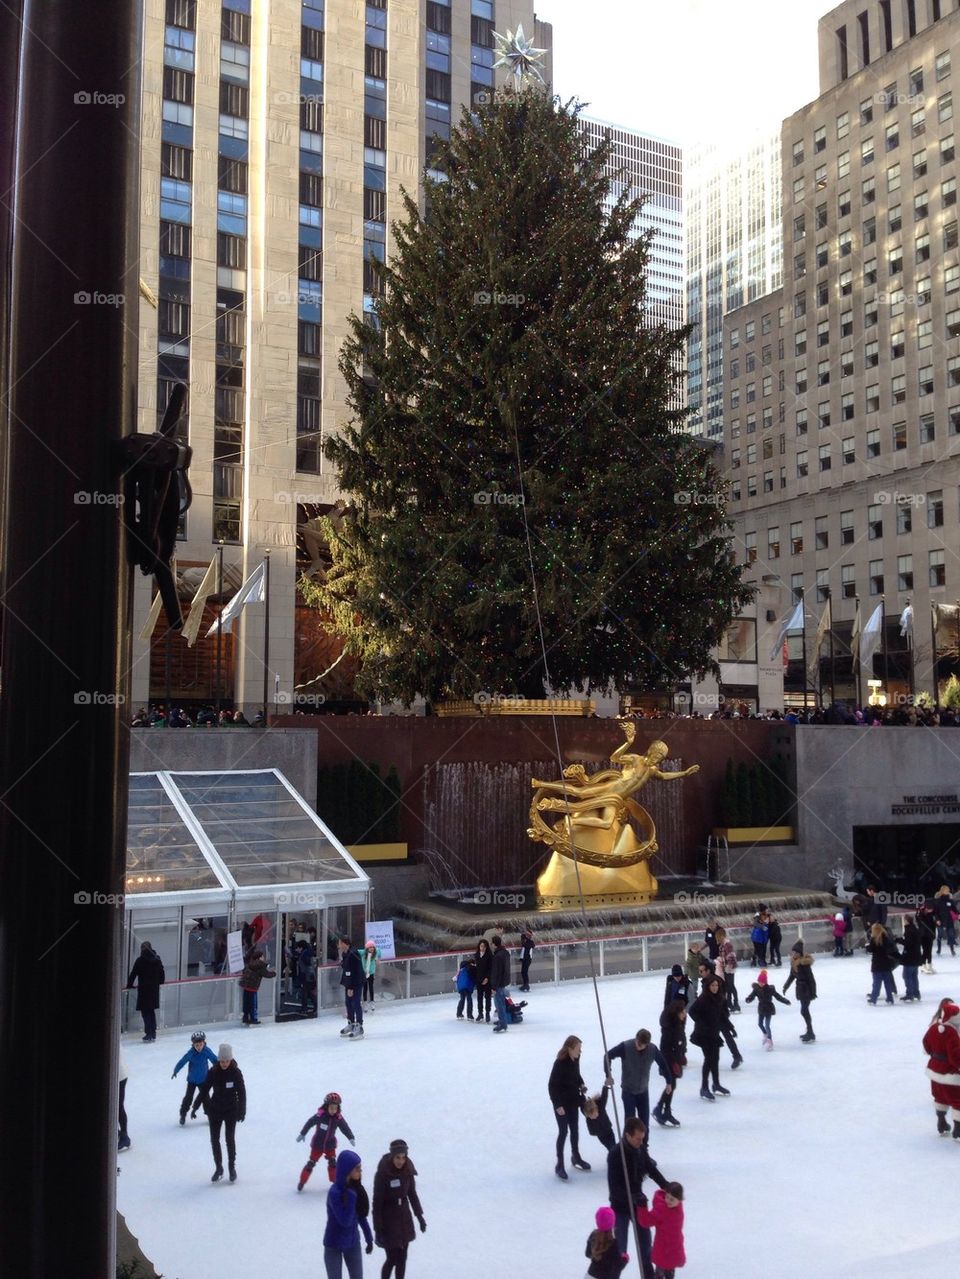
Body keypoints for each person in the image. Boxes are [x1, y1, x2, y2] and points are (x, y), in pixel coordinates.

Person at [606, 1117, 671, 1273]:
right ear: (627, 1135)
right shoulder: (615, 1154)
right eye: (638, 1139)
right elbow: (614, 1188)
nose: (641, 1142)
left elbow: (651, 1169)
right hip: (620, 1207)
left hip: (639, 1207)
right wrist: (632, 1197)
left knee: (646, 1248)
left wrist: (666, 1186)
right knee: (620, 1253)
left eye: (643, 1139)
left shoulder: (640, 1149)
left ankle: (648, 1275)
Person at [372, 1138, 426, 1279]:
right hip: (388, 1221)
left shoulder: (407, 1170)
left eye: (403, 1157)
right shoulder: (383, 1173)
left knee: (402, 1258)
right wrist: (378, 1228)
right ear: (392, 1156)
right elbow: (377, 1202)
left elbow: (412, 1194)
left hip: (404, 1219)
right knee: (392, 1259)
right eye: (397, 1157)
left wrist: (419, 1216)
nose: (401, 1161)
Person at [192, 1043, 245, 1183]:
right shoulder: (213, 1071)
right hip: (215, 1110)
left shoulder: (236, 1072)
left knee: (229, 1139)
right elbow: (204, 1090)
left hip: (231, 1110)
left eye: (227, 1061)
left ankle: (231, 1167)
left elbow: (242, 1092)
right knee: (214, 1140)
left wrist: (242, 1110)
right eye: (222, 1061)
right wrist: (195, 1106)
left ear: (230, 1060)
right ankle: (219, 1168)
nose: (224, 1064)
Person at [603, 1029, 673, 1130]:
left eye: (641, 1045)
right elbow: (607, 1056)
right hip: (628, 1091)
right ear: (636, 1038)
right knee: (630, 1125)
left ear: (647, 1044)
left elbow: (663, 1064)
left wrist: (669, 1081)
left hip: (643, 1092)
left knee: (644, 1125)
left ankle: (644, 1140)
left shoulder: (652, 1050)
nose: (638, 1046)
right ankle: (627, 1140)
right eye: (638, 1042)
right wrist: (608, 1074)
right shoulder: (625, 1047)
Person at [324, 1149, 374, 1279]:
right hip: (333, 1244)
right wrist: (352, 1197)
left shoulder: (357, 1189)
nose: (360, 1171)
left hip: (352, 1242)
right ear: (347, 1170)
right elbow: (345, 1221)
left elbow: (361, 1216)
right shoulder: (335, 1192)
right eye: (357, 1169)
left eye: (360, 1168)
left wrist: (369, 1238)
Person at [549, 1034, 590, 1179]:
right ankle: (559, 1164)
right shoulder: (560, 1063)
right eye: (578, 1048)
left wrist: (581, 1084)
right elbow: (552, 1086)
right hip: (561, 1103)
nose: (580, 1051)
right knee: (563, 1132)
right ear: (570, 1048)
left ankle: (576, 1156)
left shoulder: (576, 1059)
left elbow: (576, 1075)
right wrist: (557, 1105)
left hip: (573, 1100)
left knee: (574, 1130)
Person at [298, 1091, 356, 1190]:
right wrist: (303, 1133)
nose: (333, 1110)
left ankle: (335, 1183)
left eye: (335, 1108)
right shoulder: (320, 1116)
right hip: (317, 1145)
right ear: (326, 1106)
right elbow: (310, 1123)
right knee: (311, 1163)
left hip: (330, 1145)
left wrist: (350, 1137)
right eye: (331, 1108)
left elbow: (345, 1127)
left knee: (333, 1163)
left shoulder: (338, 1118)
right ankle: (302, 1182)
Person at [689, 976, 732, 1097]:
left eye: (716, 985)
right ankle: (704, 1087)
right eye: (712, 985)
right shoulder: (703, 998)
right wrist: (702, 1023)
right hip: (703, 1034)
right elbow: (692, 1011)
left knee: (715, 1059)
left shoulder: (720, 999)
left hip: (714, 1033)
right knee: (709, 1059)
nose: (715, 988)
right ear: (708, 986)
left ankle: (716, 1084)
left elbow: (722, 1016)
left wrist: (730, 1027)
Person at [923, 998, 960, 1138]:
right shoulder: (952, 1032)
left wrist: (935, 1056)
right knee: (957, 1100)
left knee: (940, 1097)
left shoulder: (934, 1027)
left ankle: (942, 1123)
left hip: (934, 1070)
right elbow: (955, 1055)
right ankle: (958, 1131)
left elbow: (926, 1043)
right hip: (950, 1074)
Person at [637, 1183, 685, 1279]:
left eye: (672, 1199)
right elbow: (645, 1221)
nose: (668, 1201)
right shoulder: (662, 1209)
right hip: (663, 1248)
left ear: (679, 1200)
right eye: (667, 1197)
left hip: (675, 1247)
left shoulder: (678, 1207)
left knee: (670, 1272)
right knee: (660, 1272)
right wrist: (642, 1207)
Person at [652, 1001, 687, 1128]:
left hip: (675, 1059)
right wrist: (674, 1062)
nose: (685, 1014)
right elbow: (665, 1048)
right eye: (682, 1012)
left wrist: (682, 1053)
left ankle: (665, 1110)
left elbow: (681, 1040)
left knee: (672, 1085)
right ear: (676, 1014)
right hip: (670, 1062)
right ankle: (660, 1108)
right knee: (671, 1085)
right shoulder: (669, 1029)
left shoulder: (678, 1024)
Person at [172, 1030, 217, 1124]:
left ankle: (210, 1116)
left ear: (204, 1043)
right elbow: (182, 1061)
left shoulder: (206, 1051)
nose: (199, 1047)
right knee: (188, 1098)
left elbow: (214, 1060)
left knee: (206, 1099)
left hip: (203, 1080)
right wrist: (176, 1070)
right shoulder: (191, 1053)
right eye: (197, 1045)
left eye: (201, 1044)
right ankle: (183, 1114)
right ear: (193, 1045)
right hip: (192, 1081)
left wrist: (220, 1069)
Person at [126, 941, 165, 1042]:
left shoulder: (140, 960)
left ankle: (149, 1033)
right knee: (151, 1011)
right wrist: (160, 982)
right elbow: (161, 972)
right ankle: (153, 1033)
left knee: (145, 1012)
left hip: (144, 990)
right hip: (154, 990)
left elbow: (133, 973)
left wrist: (129, 985)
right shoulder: (157, 959)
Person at [744, 969, 790, 1047]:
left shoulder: (770, 989)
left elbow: (778, 996)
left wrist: (785, 1001)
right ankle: (765, 1034)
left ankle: (769, 1039)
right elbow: (752, 996)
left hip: (769, 1008)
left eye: (762, 982)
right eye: (759, 982)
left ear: (765, 982)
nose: (760, 983)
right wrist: (748, 999)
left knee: (767, 1025)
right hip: (761, 1008)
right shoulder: (756, 989)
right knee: (760, 1024)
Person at [782, 941, 817, 1042]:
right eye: (793, 952)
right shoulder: (794, 963)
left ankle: (810, 1032)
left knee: (804, 1011)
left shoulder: (804, 964)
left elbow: (811, 979)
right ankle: (809, 1032)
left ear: (799, 953)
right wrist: (786, 986)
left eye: (795, 952)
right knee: (804, 1011)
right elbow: (792, 976)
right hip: (800, 989)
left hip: (807, 989)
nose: (793, 954)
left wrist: (813, 992)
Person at [584, 1205, 629, 1278]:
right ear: (612, 1223)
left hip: (590, 1275)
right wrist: (624, 1259)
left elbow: (588, 1253)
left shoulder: (593, 1236)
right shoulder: (613, 1244)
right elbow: (618, 1265)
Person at [239, 946, 276, 1027]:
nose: (264, 958)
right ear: (260, 958)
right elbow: (266, 974)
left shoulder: (250, 963)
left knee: (246, 1003)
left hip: (246, 985)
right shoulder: (260, 965)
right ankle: (253, 1019)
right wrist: (274, 973)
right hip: (253, 987)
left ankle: (245, 1017)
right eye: (262, 956)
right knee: (253, 1004)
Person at [866, 922, 900, 1004]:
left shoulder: (874, 939)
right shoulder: (886, 938)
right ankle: (890, 998)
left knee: (877, 983)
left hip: (877, 964)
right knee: (887, 983)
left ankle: (873, 999)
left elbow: (870, 949)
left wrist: (867, 946)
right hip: (886, 963)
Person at [339, 937, 365, 1039]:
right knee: (348, 1003)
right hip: (349, 982)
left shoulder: (353, 954)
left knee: (355, 1003)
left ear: (346, 944)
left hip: (356, 982)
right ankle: (351, 1023)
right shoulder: (345, 954)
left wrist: (350, 987)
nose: (339, 946)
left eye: (340, 943)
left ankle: (359, 1026)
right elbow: (346, 967)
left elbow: (353, 971)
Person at [582, 1084, 616, 1152]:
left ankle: (616, 1155)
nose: (594, 1117)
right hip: (601, 1136)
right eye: (592, 1117)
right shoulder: (588, 1116)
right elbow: (581, 1104)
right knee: (610, 1147)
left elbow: (604, 1096)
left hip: (609, 1131)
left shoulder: (601, 1107)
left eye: (595, 1114)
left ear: (597, 1109)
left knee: (613, 1146)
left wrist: (606, 1086)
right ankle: (614, 1155)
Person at [490, 934, 512, 1032]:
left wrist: (494, 987)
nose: (491, 945)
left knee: (499, 1004)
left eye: (492, 943)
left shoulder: (497, 956)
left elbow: (496, 972)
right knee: (500, 1002)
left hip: (499, 983)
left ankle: (503, 1024)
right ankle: (502, 1020)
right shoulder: (505, 953)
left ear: (494, 944)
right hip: (504, 981)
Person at [897, 918, 922, 1001]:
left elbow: (908, 943)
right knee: (914, 976)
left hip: (910, 957)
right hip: (916, 956)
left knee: (907, 976)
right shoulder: (915, 929)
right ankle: (916, 993)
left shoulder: (909, 930)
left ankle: (910, 994)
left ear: (907, 921)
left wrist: (899, 940)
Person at [715, 927, 739, 1013]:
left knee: (731, 985)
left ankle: (736, 1004)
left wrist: (728, 965)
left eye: (718, 937)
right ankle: (729, 1003)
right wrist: (721, 962)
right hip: (725, 968)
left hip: (730, 968)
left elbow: (731, 956)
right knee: (727, 986)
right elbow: (723, 956)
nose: (717, 939)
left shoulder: (727, 945)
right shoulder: (722, 946)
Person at [934, 885, 957, 957]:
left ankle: (952, 950)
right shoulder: (938, 901)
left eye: (948, 890)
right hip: (940, 920)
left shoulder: (950, 900)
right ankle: (939, 949)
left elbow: (954, 909)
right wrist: (937, 920)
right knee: (940, 935)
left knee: (951, 935)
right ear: (943, 891)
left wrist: (958, 913)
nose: (948, 891)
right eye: (947, 890)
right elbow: (936, 912)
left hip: (949, 920)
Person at [474, 938, 493, 1024]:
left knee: (488, 997)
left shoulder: (489, 956)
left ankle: (487, 1013)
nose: (482, 948)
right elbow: (477, 968)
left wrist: (487, 978)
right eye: (481, 946)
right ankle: (480, 1013)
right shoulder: (476, 955)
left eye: (484, 946)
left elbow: (490, 968)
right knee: (479, 997)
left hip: (487, 980)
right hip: (479, 979)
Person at [917, 899, 937, 973]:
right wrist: (921, 911)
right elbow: (918, 919)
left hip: (930, 935)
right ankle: (923, 965)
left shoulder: (933, 913)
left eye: (931, 909)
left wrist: (937, 923)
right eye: (929, 909)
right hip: (923, 935)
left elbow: (934, 924)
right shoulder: (920, 913)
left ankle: (929, 965)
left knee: (929, 951)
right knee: (925, 950)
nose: (930, 910)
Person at [361, 940, 380, 1013]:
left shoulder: (376, 952)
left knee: (371, 987)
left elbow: (379, 951)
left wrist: (378, 959)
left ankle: (372, 1001)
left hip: (371, 973)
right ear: (367, 948)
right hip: (364, 973)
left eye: (373, 947)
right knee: (365, 988)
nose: (372, 948)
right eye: (370, 947)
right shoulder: (363, 952)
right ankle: (365, 1002)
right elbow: (355, 952)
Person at [455, 954, 476, 1020]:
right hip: (467, 986)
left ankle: (459, 1014)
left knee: (462, 999)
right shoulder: (471, 968)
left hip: (460, 986)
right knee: (469, 999)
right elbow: (474, 977)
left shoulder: (461, 969)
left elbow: (457, 978)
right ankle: (469, 1015)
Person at [118, 1045, 130, 1152]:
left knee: (118, 1106)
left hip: (119, 1076)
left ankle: (124, 1136)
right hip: (118, 1074)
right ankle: (118, 1132)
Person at [518, 926, 535, 992]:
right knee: (524, 972)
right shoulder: (526, 941)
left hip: (527, 959)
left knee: (524, 972)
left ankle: (526, 985)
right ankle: (525, 985)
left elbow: (526, 944)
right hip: (525, 959)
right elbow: (523, 941)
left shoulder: (530, 942)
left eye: (527, 935)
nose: (526, 935)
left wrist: (525, 936)